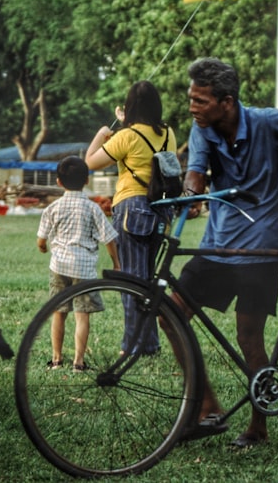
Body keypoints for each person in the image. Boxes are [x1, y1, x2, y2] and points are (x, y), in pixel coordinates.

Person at [168, 58, 278, 448]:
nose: (192, 107)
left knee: (250, 340)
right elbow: (196, 172)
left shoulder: (267, 121)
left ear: (226, 102)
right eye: (191, 99)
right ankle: (206, 406)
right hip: (217, 245)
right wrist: (190, 193)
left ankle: (258, 428)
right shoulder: (202, 130)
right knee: (172, 313)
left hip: (260, 250)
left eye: (200, 100)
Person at [85, 80, 177, 356]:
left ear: (130, 107)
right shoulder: (168, 133)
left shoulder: (126, 137)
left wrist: (103, 133)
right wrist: (126, 122)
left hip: (132, 209)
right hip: (161, 210)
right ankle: (148, 344)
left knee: (131, 282)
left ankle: (133, 346)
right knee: (147, 282)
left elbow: (89, 162)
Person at [36, 156, 120, 372]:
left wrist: (43, 246)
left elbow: (41, 238)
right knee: (82, 316)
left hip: (59, 266)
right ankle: (78, 363)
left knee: (59, 312)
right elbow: (109, 239)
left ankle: (56, 360)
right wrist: (116, 262)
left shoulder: (53, 208)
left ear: (58, 182)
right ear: (87, 180)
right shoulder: (93, 208)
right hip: (83, 269)